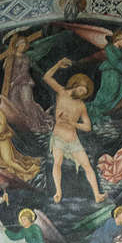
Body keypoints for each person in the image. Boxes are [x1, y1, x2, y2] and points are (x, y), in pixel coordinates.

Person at [42, 60, 105, 204]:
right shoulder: (62, 92)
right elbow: (46, 78)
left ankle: (97, 195)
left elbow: (88, 126)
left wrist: (73, 123)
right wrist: (58, 64)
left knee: (87, 165)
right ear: (76, 85)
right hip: (59, 137)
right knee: (57, 163)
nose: (82, 93)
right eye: (82, 89)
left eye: (85, 92)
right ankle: (58, 192)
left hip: (73, 139)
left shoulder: (81, 105)